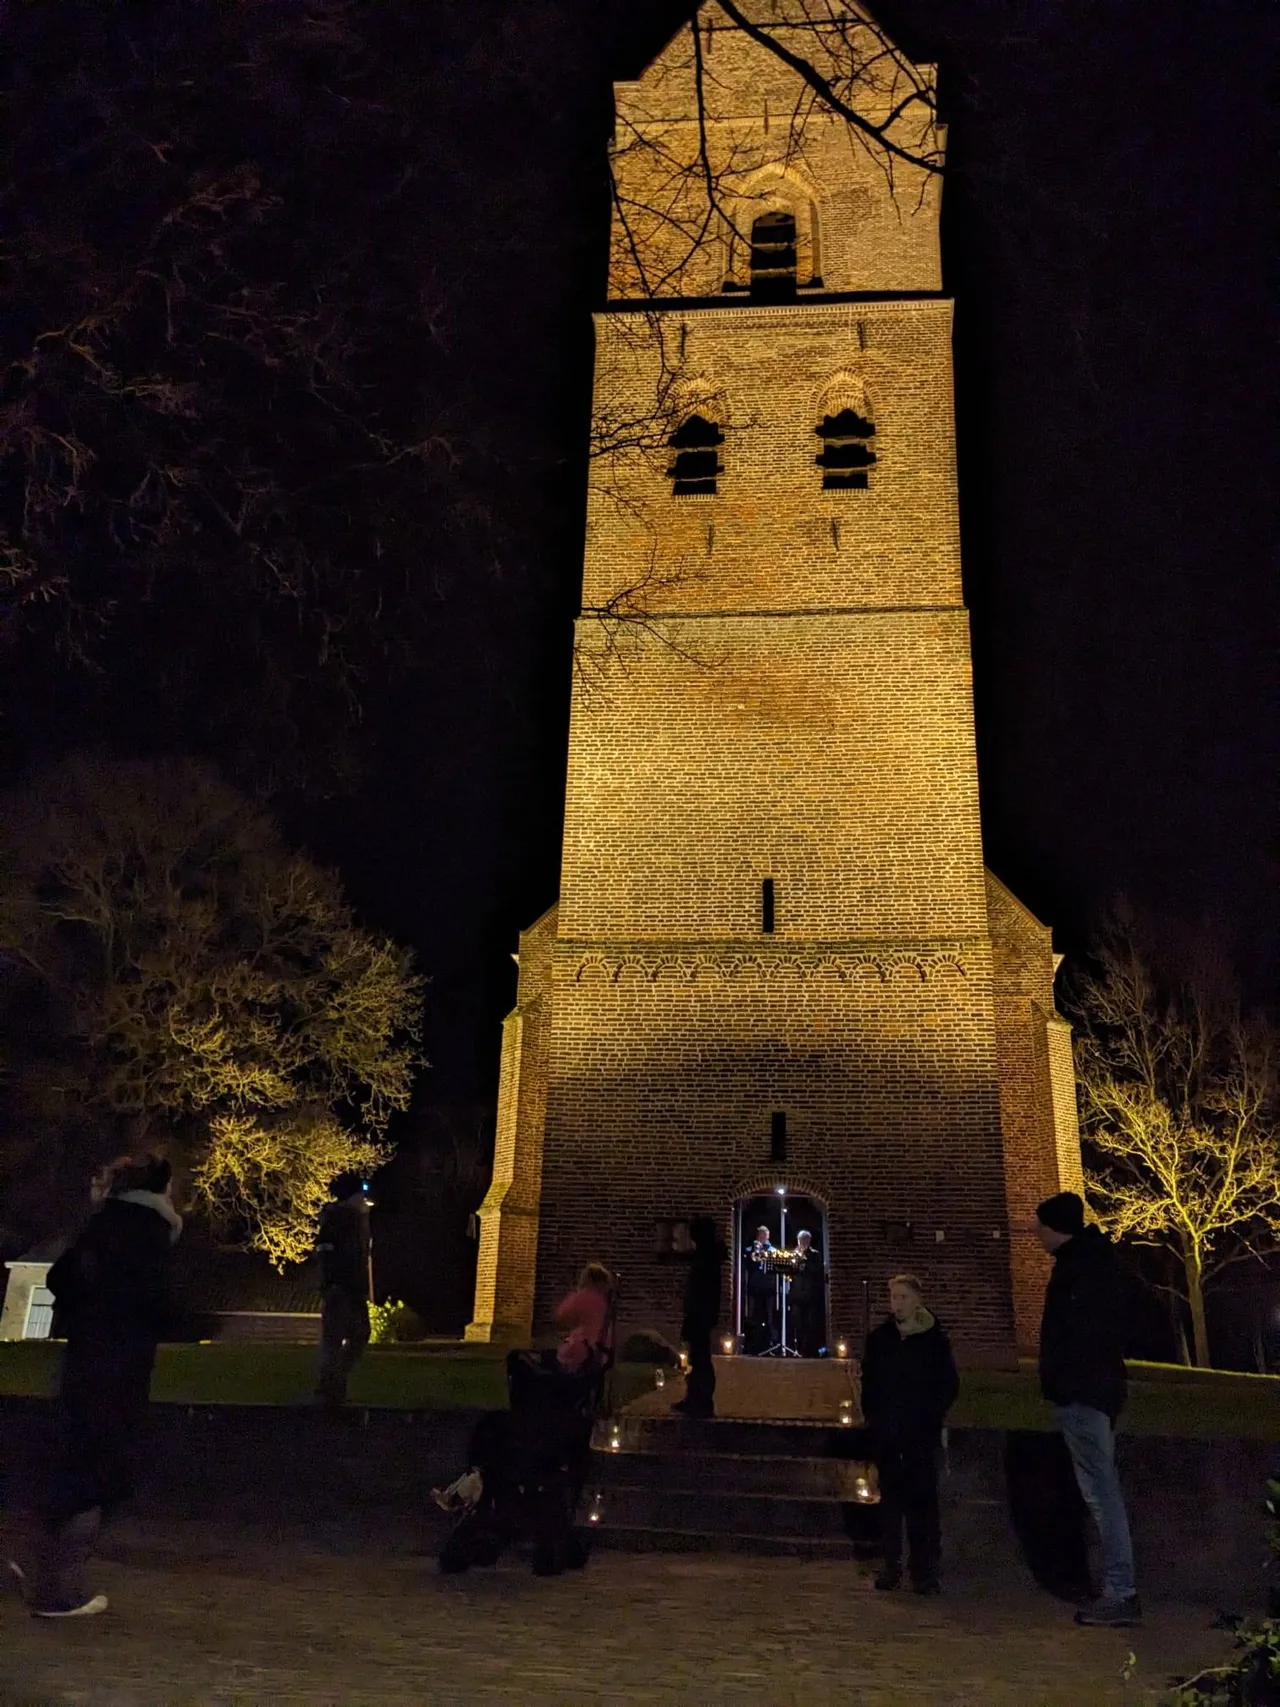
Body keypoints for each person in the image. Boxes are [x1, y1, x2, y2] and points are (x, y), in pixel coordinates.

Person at [13, 1154, 182, 1618]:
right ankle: (59, 1590)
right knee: (100, 1473)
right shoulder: (149, 1233)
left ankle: (42, 1567)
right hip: (122, 1363)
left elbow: (60, 1277)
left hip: (86, 1358)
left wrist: (86, 1313)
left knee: (75, 1461)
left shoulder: (102, 1224)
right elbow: (161, 1302)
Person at [1035, 1190, 1140, 1627]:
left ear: (1055, 1228)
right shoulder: (1093, 1263)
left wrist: (1066, 1381)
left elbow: (1081, 1333)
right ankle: (1117, 1587)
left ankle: (1121, 1591)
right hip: (1091, 1390)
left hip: (1084, 1394)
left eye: (1040, 1226)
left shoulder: (1081, 1270)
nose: (1034, 1233)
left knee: (1102, 1494)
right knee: (1099, 1492)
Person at [860, 1272, 959, 1595]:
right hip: (889, 1433)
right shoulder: (881, 1340)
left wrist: (929, 1416)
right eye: (894, 1298)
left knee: (922, 1503)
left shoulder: (933, 1342)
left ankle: (924, 1570)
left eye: (903, 1297)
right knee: (890, 1502)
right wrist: (875, 1417)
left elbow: (946, 1384)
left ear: (917, 1300)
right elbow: (870, 1383)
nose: (898, 1304)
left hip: (919, 1433)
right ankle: (891, 1565)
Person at [314, 1171, 372, 1408]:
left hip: (352, 1288)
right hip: (341, 1288)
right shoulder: (339, 1219)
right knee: (336, 1339)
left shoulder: (356, 1220)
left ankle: (333, 1384)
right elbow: (328, 1252)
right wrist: (334, 1281)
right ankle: (329, 1389)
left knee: (358, 1334)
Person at [672, 1216, 725, 1418]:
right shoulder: (707, 1258)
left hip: (700, 1314)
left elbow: (701, 1291)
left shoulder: (706, 1260)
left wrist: (694, 1313)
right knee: (698, 1357)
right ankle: (695, 1397)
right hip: (701, 1314)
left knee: (701, 1357)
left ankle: (701, 1400)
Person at [554, 1261, 616, 1376]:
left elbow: (561, 1315)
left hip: (583, 1349)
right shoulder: (606, 1301)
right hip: (603, 1351)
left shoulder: (583, 1297)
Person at [787, 1228, 826, 1357]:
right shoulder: (794, 1254)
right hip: (797, 1294)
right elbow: (790, 1273)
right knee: (797, 1323)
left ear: (809, 1241)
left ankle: (809, 1350)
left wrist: (805, 1262)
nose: (802, 1243)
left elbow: (817, 1272)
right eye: (800, 1240)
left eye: (804, 1240)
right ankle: (797, 1349)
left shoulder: (815, 1254)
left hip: (810, 1295)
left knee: (810, 1324)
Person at [743, 1225, 777, 1355]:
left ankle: (769, 1344)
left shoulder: (773, 1251)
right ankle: (751, 1345)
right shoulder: (750, 1249)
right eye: (759, 1235)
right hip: (754, 1287)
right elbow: (748, 1261)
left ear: (768, 1236)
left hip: (768, 1288)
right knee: (752, 1316)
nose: (762, 1237)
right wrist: (754, 1249)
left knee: (769, 1316)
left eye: (764, 1235)